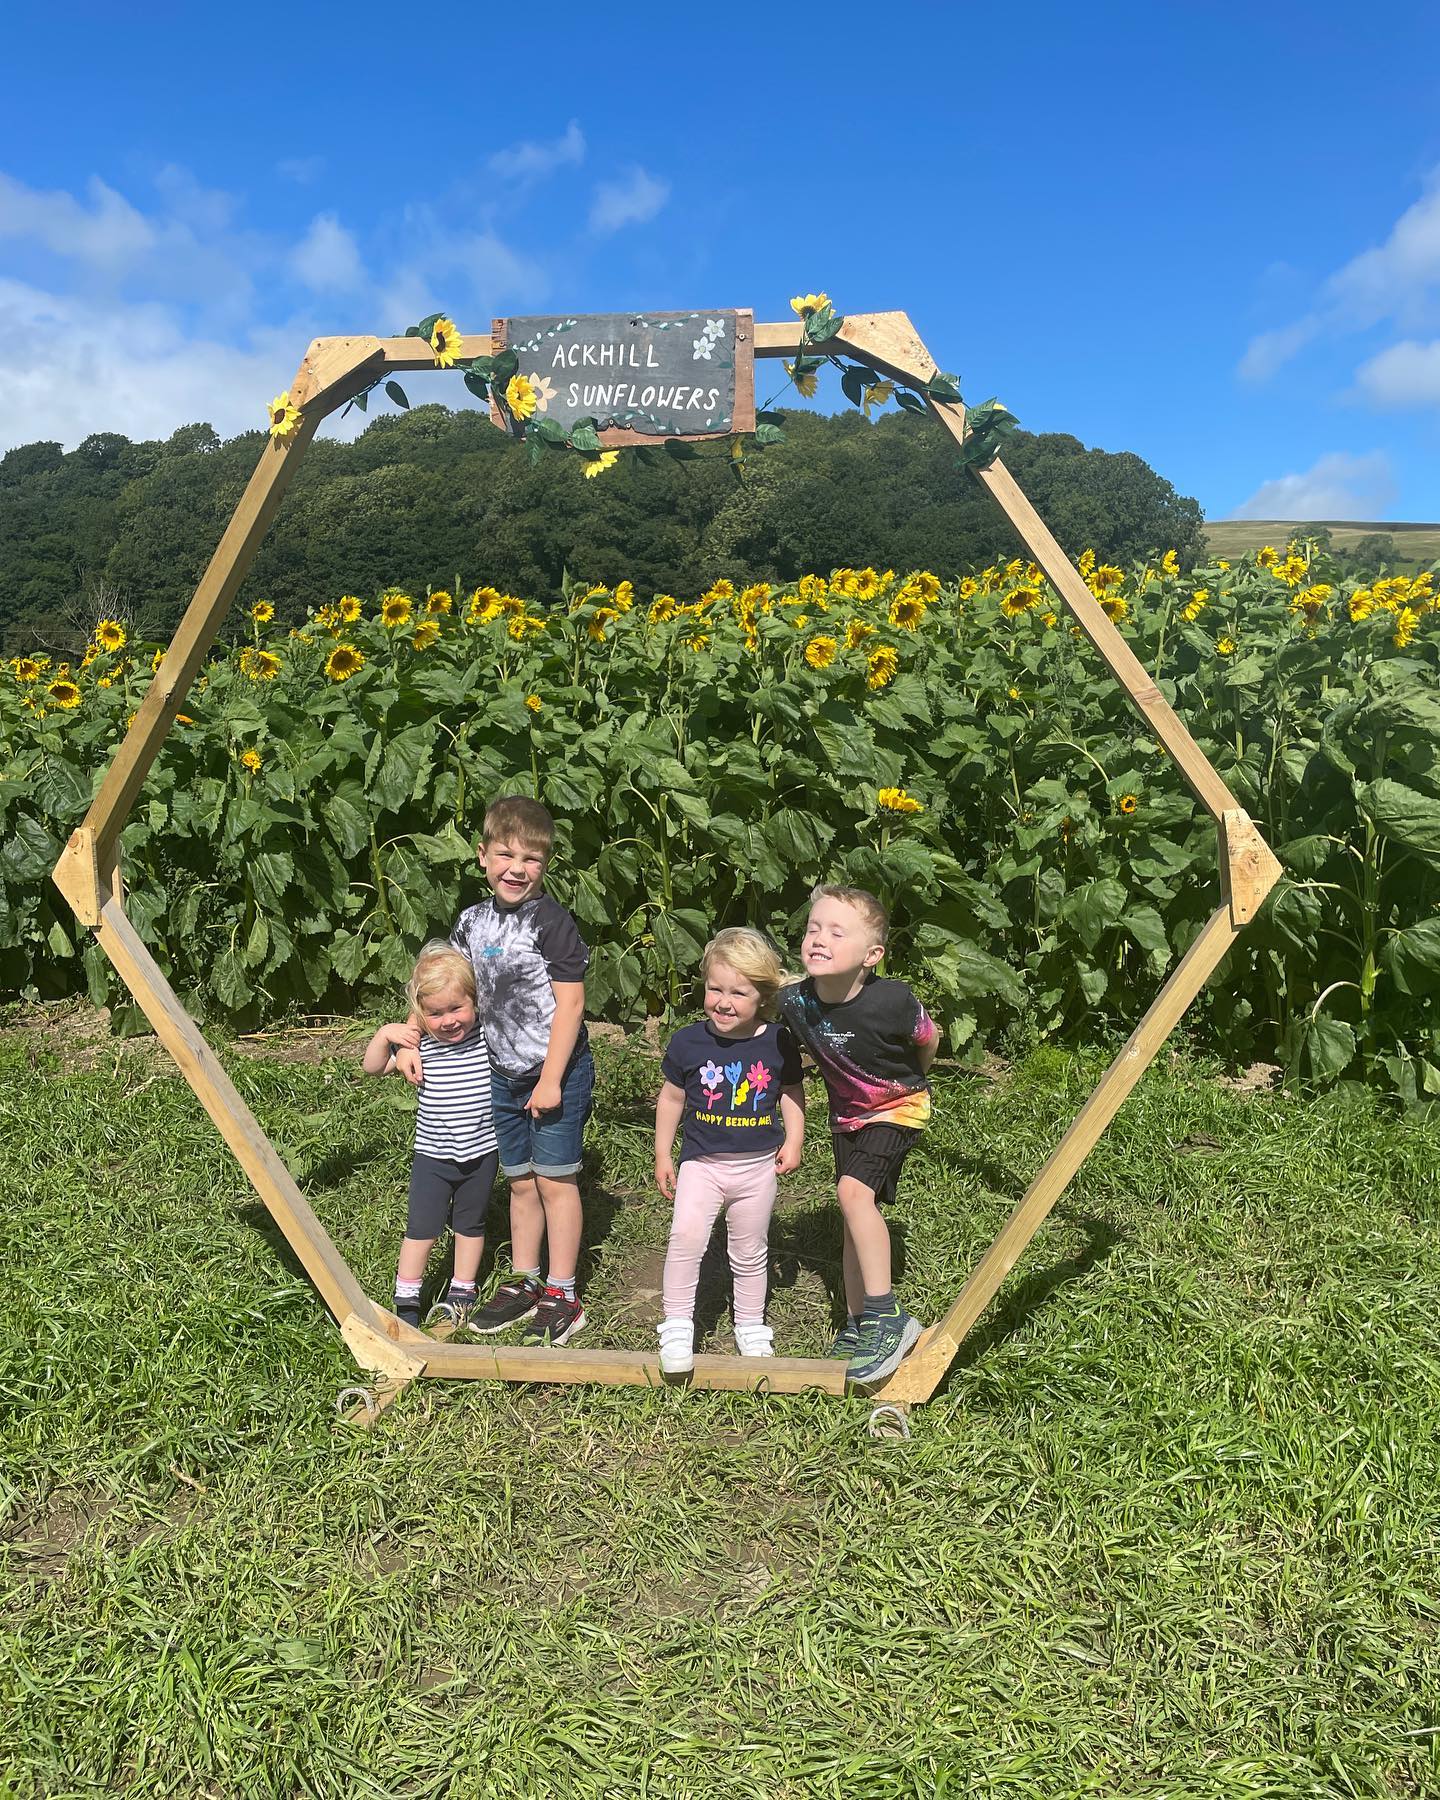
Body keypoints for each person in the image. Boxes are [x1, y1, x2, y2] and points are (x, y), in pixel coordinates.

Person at [401, 794, 593, 1346]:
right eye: (506, 855)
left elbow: (572, 1005)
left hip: (553, 1072)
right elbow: (438, 981)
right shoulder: (471, 922)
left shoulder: (551, 923)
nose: (517, 869)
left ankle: (563, 1293)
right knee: (521, 1181)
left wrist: (552, 1079)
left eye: (532, 859)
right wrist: (411, 1033)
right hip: (502, 1073)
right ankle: (525, 1279)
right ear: (482, 856)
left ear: (546, 864)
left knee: (555, 1180)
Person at [778, 884, 938, 1384]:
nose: (818, 938)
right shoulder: (795, 1003)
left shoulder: (893, 999)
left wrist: (912, 1081)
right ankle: (858, 1321)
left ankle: (889, 1316)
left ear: (872, 956)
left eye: (836, 932)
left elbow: (928, 1039)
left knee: (851, 1193)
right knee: (852, 1213)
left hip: (898, 1107)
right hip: (846, 1117)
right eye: (813, 928)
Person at [654, 928, 806, 1375]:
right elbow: (671, 1098)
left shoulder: (777, 1041)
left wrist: (794, 1138)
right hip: (701, 1165)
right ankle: (676, 1324)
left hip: (757, 1168)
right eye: (715, 989)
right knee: (685, 1239)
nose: (723, 1002)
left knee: (750, 1249)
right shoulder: (688, 1042)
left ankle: (750, 1324)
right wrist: (663, 1153)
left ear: (763, 996)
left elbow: (791, 1092)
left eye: (738, 993)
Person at [362, 942, 497, 1330]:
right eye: (435, 1013)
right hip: (433, 1157)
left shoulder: (486, 1036)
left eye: (456, 1008)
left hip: (482, 1153)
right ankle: (407, 1300)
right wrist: (387, 1035)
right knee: (421, 1230)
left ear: (474, 1001)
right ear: (421, 1014)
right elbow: (372, 1067)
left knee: (470, 1226)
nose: (448, 1021)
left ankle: (462, 1291)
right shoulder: (421, 1046)